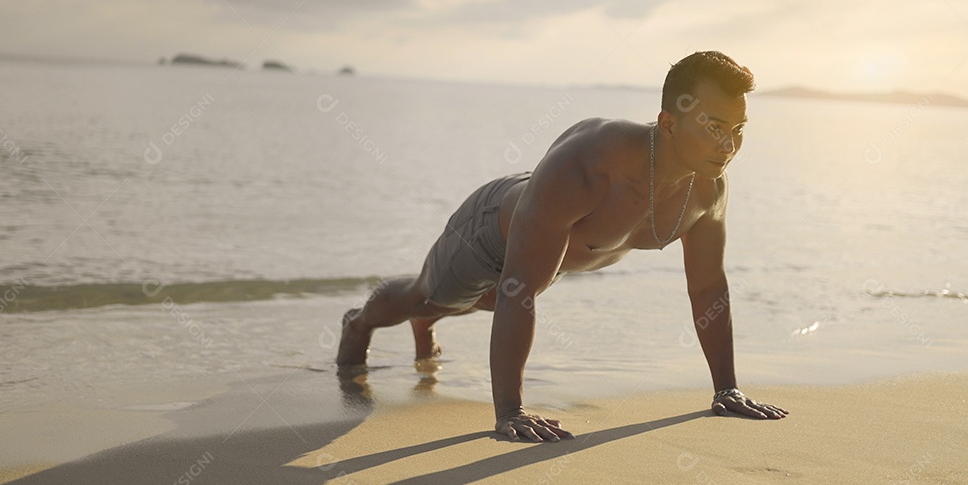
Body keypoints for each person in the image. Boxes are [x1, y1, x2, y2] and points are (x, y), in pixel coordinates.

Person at [336, 50, 788, 442]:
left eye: (738, 128)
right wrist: (509, 412)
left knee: (486, 301)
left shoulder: (707, 190)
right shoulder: (590, 164)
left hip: (546, 257)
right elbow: (520, 289)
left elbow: (708, 288)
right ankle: (358, 325)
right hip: (491, 229)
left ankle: (428, 323)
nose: (728, 144)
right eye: (713, 126)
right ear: (668, 123)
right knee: (430, 293)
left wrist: (726, 389)